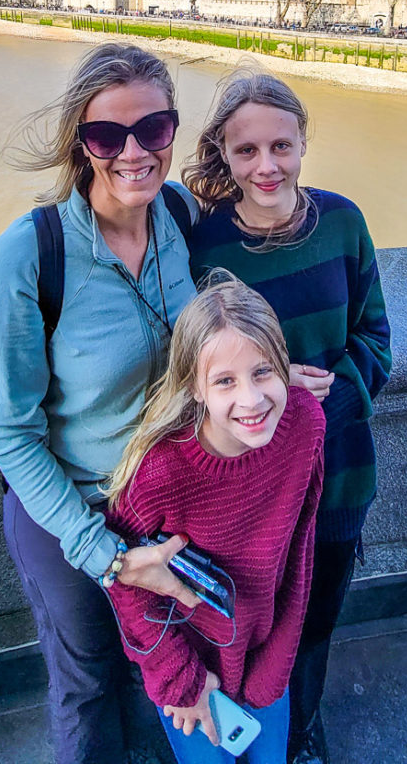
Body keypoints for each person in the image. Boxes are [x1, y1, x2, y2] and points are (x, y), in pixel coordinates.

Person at [0, 44, 202, 764]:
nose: (133, 152)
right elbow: (12, 432)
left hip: (166, 505)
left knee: (160, 671)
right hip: (69, 514)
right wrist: (103, 555)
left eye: (154, 129)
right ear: (81, 143)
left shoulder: (181, 214)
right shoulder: (30, 254)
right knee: (89, 684)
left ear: (173, 130)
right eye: (108, 136)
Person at [182, 69, 392, 764]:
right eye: (247, 152)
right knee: (249, 627)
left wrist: (331, 390)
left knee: (316, 624)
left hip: (337, 475)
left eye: (282, 146)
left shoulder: (343, 224)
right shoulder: (205, 249)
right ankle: (248, 733)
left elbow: (377, 340)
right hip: (249, 490)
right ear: (224, 153)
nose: (266, 166)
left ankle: (301, 732)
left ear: (304, 143)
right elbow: (188, 369)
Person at [104, 278, 326, 764]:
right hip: (188, 676)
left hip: (267, 659)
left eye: (263, 372)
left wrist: (276, 664)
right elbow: (124, 585)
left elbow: (299, 554)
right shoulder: (159, 473)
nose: (251, 401)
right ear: (194, 388)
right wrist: (180, 680)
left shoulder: (306, 424)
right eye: (225, 380)